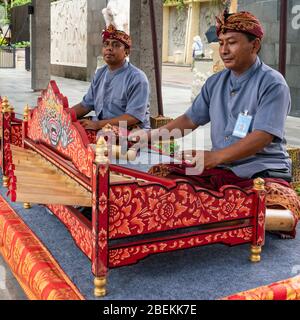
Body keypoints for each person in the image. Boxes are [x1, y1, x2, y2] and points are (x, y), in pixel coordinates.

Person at [131, 10, 293, 189]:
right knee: (163, 182)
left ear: (254, 46)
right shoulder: (215, 82)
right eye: (221, 43)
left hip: (262, 171)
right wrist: (149, 137)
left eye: (231, 43)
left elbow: (262, 136)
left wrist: (214, 156)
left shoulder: (273, 83)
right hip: (222, 168)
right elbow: (189, 120)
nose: (224, 50)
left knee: (265, 209)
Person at [72, 24, 151, 131]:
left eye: (116, 45)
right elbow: (85, 105)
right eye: (106, 44)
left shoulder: (137, 78)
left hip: (132, 132)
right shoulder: (100, 73)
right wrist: (63, 115)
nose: (109, 48)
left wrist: (98, 125)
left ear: (126, 52)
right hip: (104, 127)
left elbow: (133, 117)